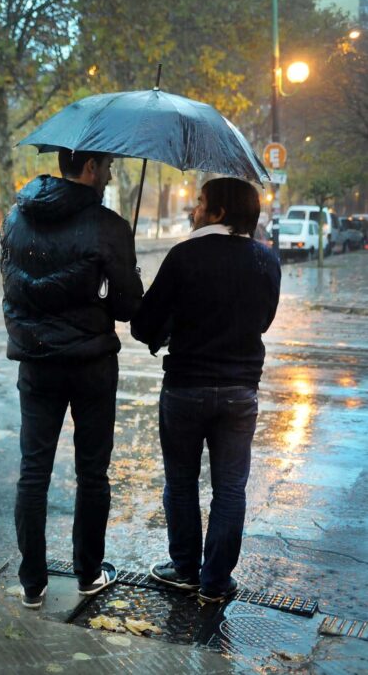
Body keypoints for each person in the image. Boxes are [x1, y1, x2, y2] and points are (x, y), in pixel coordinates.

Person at [0, 149, 143, 609]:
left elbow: (12, 290)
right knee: (92, 473)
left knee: (33, 471)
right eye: (107, 167)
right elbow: (127, 307)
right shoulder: (109, 226)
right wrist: (122, 272)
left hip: (37, 361)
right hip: (91, 366)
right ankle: (87, 574)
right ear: (89, 168)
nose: (109, 175)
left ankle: (32, 584)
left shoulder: (17, 218)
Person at [130, 177, 280, 604]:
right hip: (239, 391)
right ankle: (215, 582)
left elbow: (144, 326)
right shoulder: (266, 261)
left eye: (200, 203)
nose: (194, 210)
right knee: (230, 489)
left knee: (181, 483)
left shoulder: (184, 255)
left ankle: (184, 570)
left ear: (217, 211)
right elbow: (264, 320)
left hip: (185, 388)